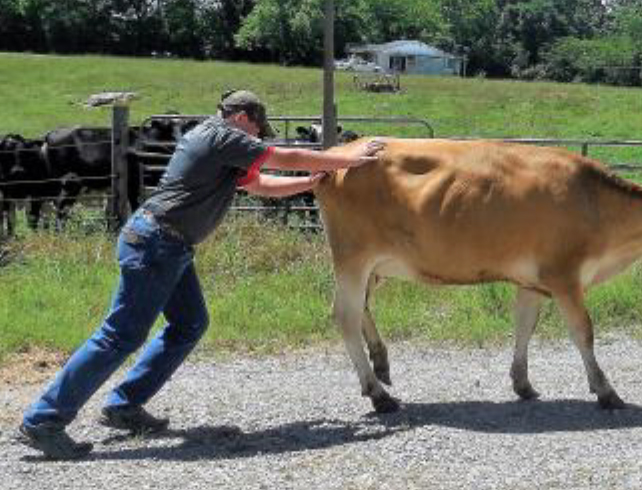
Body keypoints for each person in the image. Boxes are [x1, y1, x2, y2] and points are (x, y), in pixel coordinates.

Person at [18, 90, 385, 459]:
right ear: (243, 117)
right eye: (258, 129)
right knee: (120, 336)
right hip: (156, 244)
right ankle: (43, 420)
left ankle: (124, 405)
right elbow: (282, 157)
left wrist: (309, 183)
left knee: (189, 324)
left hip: (168, 246)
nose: (258, 137)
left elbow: (259, 185)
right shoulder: (220, 136)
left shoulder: (221, 145)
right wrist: (346, 158)